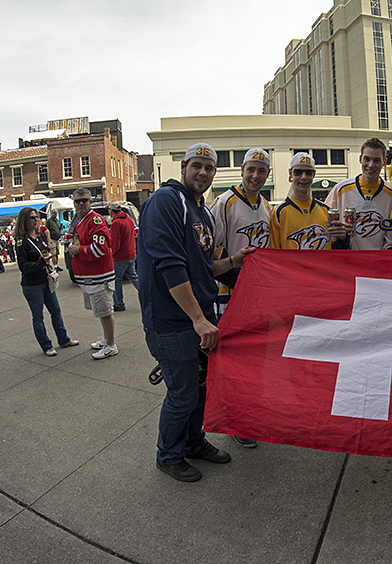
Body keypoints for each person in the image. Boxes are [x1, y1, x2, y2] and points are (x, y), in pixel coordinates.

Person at [137, 142, 254, 483]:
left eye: (209, 168)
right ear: (184, 166)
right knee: (183, 392)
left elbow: (202, 268)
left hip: (196, 318)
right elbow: (170, 266)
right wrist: (199, 319)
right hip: (172, 322)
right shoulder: (166, 201)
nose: (202, 172)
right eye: (196, 166)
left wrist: (233, 262)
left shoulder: (201, 211)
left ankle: (192, 441)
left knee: (201, 388)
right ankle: (169, 455)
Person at [209, 148, 274, 449]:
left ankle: (249, 413)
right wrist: (233, 267)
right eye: (251, 170)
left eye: (262, 171)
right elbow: (208, 256)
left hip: (256, 294)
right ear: (241, 170)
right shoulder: (225, 202)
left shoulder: (266, 206)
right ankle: (236, 420)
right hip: (228, 291)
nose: (256, 176)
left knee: (254, 358)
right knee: (233, 359)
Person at [13, 208, 78, 356]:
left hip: (46, 280)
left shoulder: (40, 236)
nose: (36, 220)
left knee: (56, 311)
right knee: (38, 317)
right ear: (24, 220)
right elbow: (23, 266)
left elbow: (44, 253)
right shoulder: (21, 242)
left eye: (36, 217)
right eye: (32, 218)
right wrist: (41, 263)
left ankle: (63, 339)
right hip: (32, 284)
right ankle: (46, 345)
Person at [65, 188, 118, 360]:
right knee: (100, 311)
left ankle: (111, 345)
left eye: (84, 200)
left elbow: (101, 248)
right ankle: (106, 339)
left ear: (90, 201)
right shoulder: (80, 221)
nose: (81, 204)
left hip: (99, 275)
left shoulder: (95, 220)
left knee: (104, 310)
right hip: (90, 277)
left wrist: (78, 250)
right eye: (77, 201)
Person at [325, 138, 392, 250]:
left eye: (376, 160)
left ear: (384, 162)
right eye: (367, 159)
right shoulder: (341, 188)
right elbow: (324, 220)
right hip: (348, 261)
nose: (370, 165)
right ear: (360, 159)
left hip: (380, 261)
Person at [270, 152, 333, 250]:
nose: (303, 177)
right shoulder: (279, 212)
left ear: (314, 174)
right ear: (290, 173)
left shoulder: (326, 210)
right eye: (298, 172)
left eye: (308, 172)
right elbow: (274, 253)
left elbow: (336, 249)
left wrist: (343, 239)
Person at [110, 202, 139, 311]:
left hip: (120, 256)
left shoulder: (116, 223)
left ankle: (119, 303)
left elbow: (116, 242)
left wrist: (112, 253)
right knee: (133, 277)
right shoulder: (128, 219)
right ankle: (147, 296)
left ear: (111, 211)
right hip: (131, 254)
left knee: (116, 280)